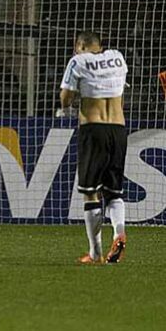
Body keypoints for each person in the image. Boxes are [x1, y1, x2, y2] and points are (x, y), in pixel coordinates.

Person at [59, 31, 128, 264]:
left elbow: (65, 100)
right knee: (114, 192)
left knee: (90, 192)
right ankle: (119, 232)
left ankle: (95, 252)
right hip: (118, 130)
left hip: (93, 129)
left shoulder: (78, 61)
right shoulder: (118, 58)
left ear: (80, 45)